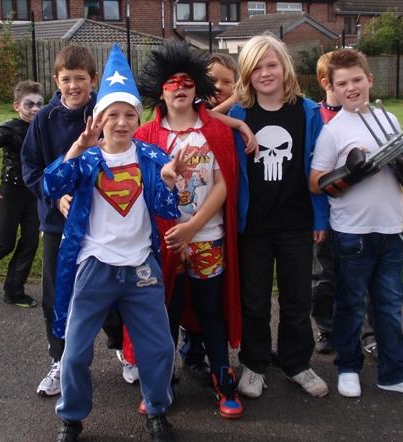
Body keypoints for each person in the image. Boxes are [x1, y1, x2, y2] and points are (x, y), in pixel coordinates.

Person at [45, 45, 181, 442]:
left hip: (140, 267)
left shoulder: (151, 157)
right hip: (95, 266)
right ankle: (72, 417)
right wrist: (77, 148)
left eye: (129, 114)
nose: (121, 122)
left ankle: (157, 410)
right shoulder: (87, 159)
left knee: (158, 348)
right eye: (112, 114)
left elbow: (166, 207)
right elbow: (51, 186)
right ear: (98, 118)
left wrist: (169, 181)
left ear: (138, 118)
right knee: (74, 351)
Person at [309, 48, 403, 399]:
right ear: (332, 87)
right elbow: (315, 181)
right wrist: (348, 173)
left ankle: (395, 372)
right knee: (350, 304)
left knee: (389, 305)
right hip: (352, 233)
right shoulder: (333, 130)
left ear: (370, 80)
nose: (351, 88)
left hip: (391, 229)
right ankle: (348, 366)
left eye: (357, 80)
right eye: (343, 83)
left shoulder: (389, 120)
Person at [130, 40, 243, 419]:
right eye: (171, 82)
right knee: (166, 311)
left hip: (207, 237)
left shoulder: (215, 132)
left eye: (187, 81)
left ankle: (223, 379)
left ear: (198, 87)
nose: (179, 87)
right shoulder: (146, 135)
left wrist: (193, 226)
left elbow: (224, 184)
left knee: (211, 310)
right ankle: (161, 382)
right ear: (160, 90)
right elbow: (140, 188)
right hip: (163, 243)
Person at [229, 33, 329, 399]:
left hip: (296, 223)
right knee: (254, 301)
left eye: (271, 64)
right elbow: (203, 115)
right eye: (255, 68)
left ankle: (296, 362)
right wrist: (238, 121)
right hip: (253, 226)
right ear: (246, 74)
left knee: (297, 299)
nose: (265, 73)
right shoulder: (239, 113)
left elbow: (319, 167)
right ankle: (254, 363)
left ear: (285, 67)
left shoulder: (308, 112)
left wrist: (320, 218)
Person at [21, 45, 123, 397]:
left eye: (80, 78)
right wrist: (55, 195)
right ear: (56, 81)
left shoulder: (105, 113)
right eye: (66, 79)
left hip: (100, 222)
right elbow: (31, 168)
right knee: (57, 293)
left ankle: (121, 345)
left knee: (108, 288)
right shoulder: (44, 120)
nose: (73, 86)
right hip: (57, 223)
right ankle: (60, 358)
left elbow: (121, 158)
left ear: (93, 79)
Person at [310, 51, 377, 356]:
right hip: (324, 211)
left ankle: (368, 331)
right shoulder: (315, 117)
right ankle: (326, 328)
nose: (346, 87)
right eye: (337, 81)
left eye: (354, 80)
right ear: (327, 83)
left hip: (357, 214)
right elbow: (312, 173)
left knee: (362, 273)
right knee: (323, 274)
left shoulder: (365, 116)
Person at [178, 52, 240, 376]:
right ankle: (190, 349)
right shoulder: (194, 114)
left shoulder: (228, 119)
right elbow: (207, 115)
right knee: (180, 298)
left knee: (212, 298)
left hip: (216, 223)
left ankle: (216, 362)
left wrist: (238, 115)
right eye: (212, 79)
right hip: (181, 228)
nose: (219, 87)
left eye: (227, 82)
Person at [0, 80, 43, 308]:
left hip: (34, 192)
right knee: (5, 242)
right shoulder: (7, 128)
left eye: (39, 104)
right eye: (29, 104)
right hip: (10, 193)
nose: (35, 109)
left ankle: (14, 291)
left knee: (30, 242)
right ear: (17, 105)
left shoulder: (43, 127)